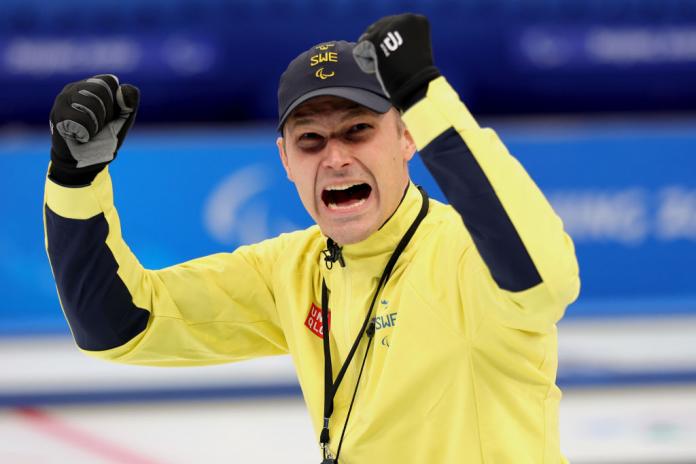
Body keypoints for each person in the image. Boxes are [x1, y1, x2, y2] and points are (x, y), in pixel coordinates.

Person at [44, 13, 579, 464]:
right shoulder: (291, 270)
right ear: (286, 160)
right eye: (311, 140)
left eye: (357, 130)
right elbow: (118, 326)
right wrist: (75, 180)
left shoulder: (465, 255)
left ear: (406, 136)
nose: (336, 157)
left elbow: (544, 280)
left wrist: (424, 93)